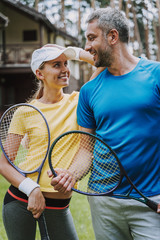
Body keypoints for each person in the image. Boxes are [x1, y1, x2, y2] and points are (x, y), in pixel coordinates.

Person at [50, 7, 160, 240]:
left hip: (152, 199)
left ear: (112, 36)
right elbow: (85, 149)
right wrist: (71, 174)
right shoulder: (89, 91)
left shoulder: (156, 75)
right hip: (103, 200)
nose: (87, 47)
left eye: (91, 38)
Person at [0, 44, 93, 240]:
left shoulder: (79, 101)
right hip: (20, 199)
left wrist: (73, 51)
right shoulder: (24, 112)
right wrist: (31, 188)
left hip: (58, 206)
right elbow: (4, 163)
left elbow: (101, 64)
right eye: (56, 65)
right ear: (40, 73)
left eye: (66, 64)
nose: (65, 69)